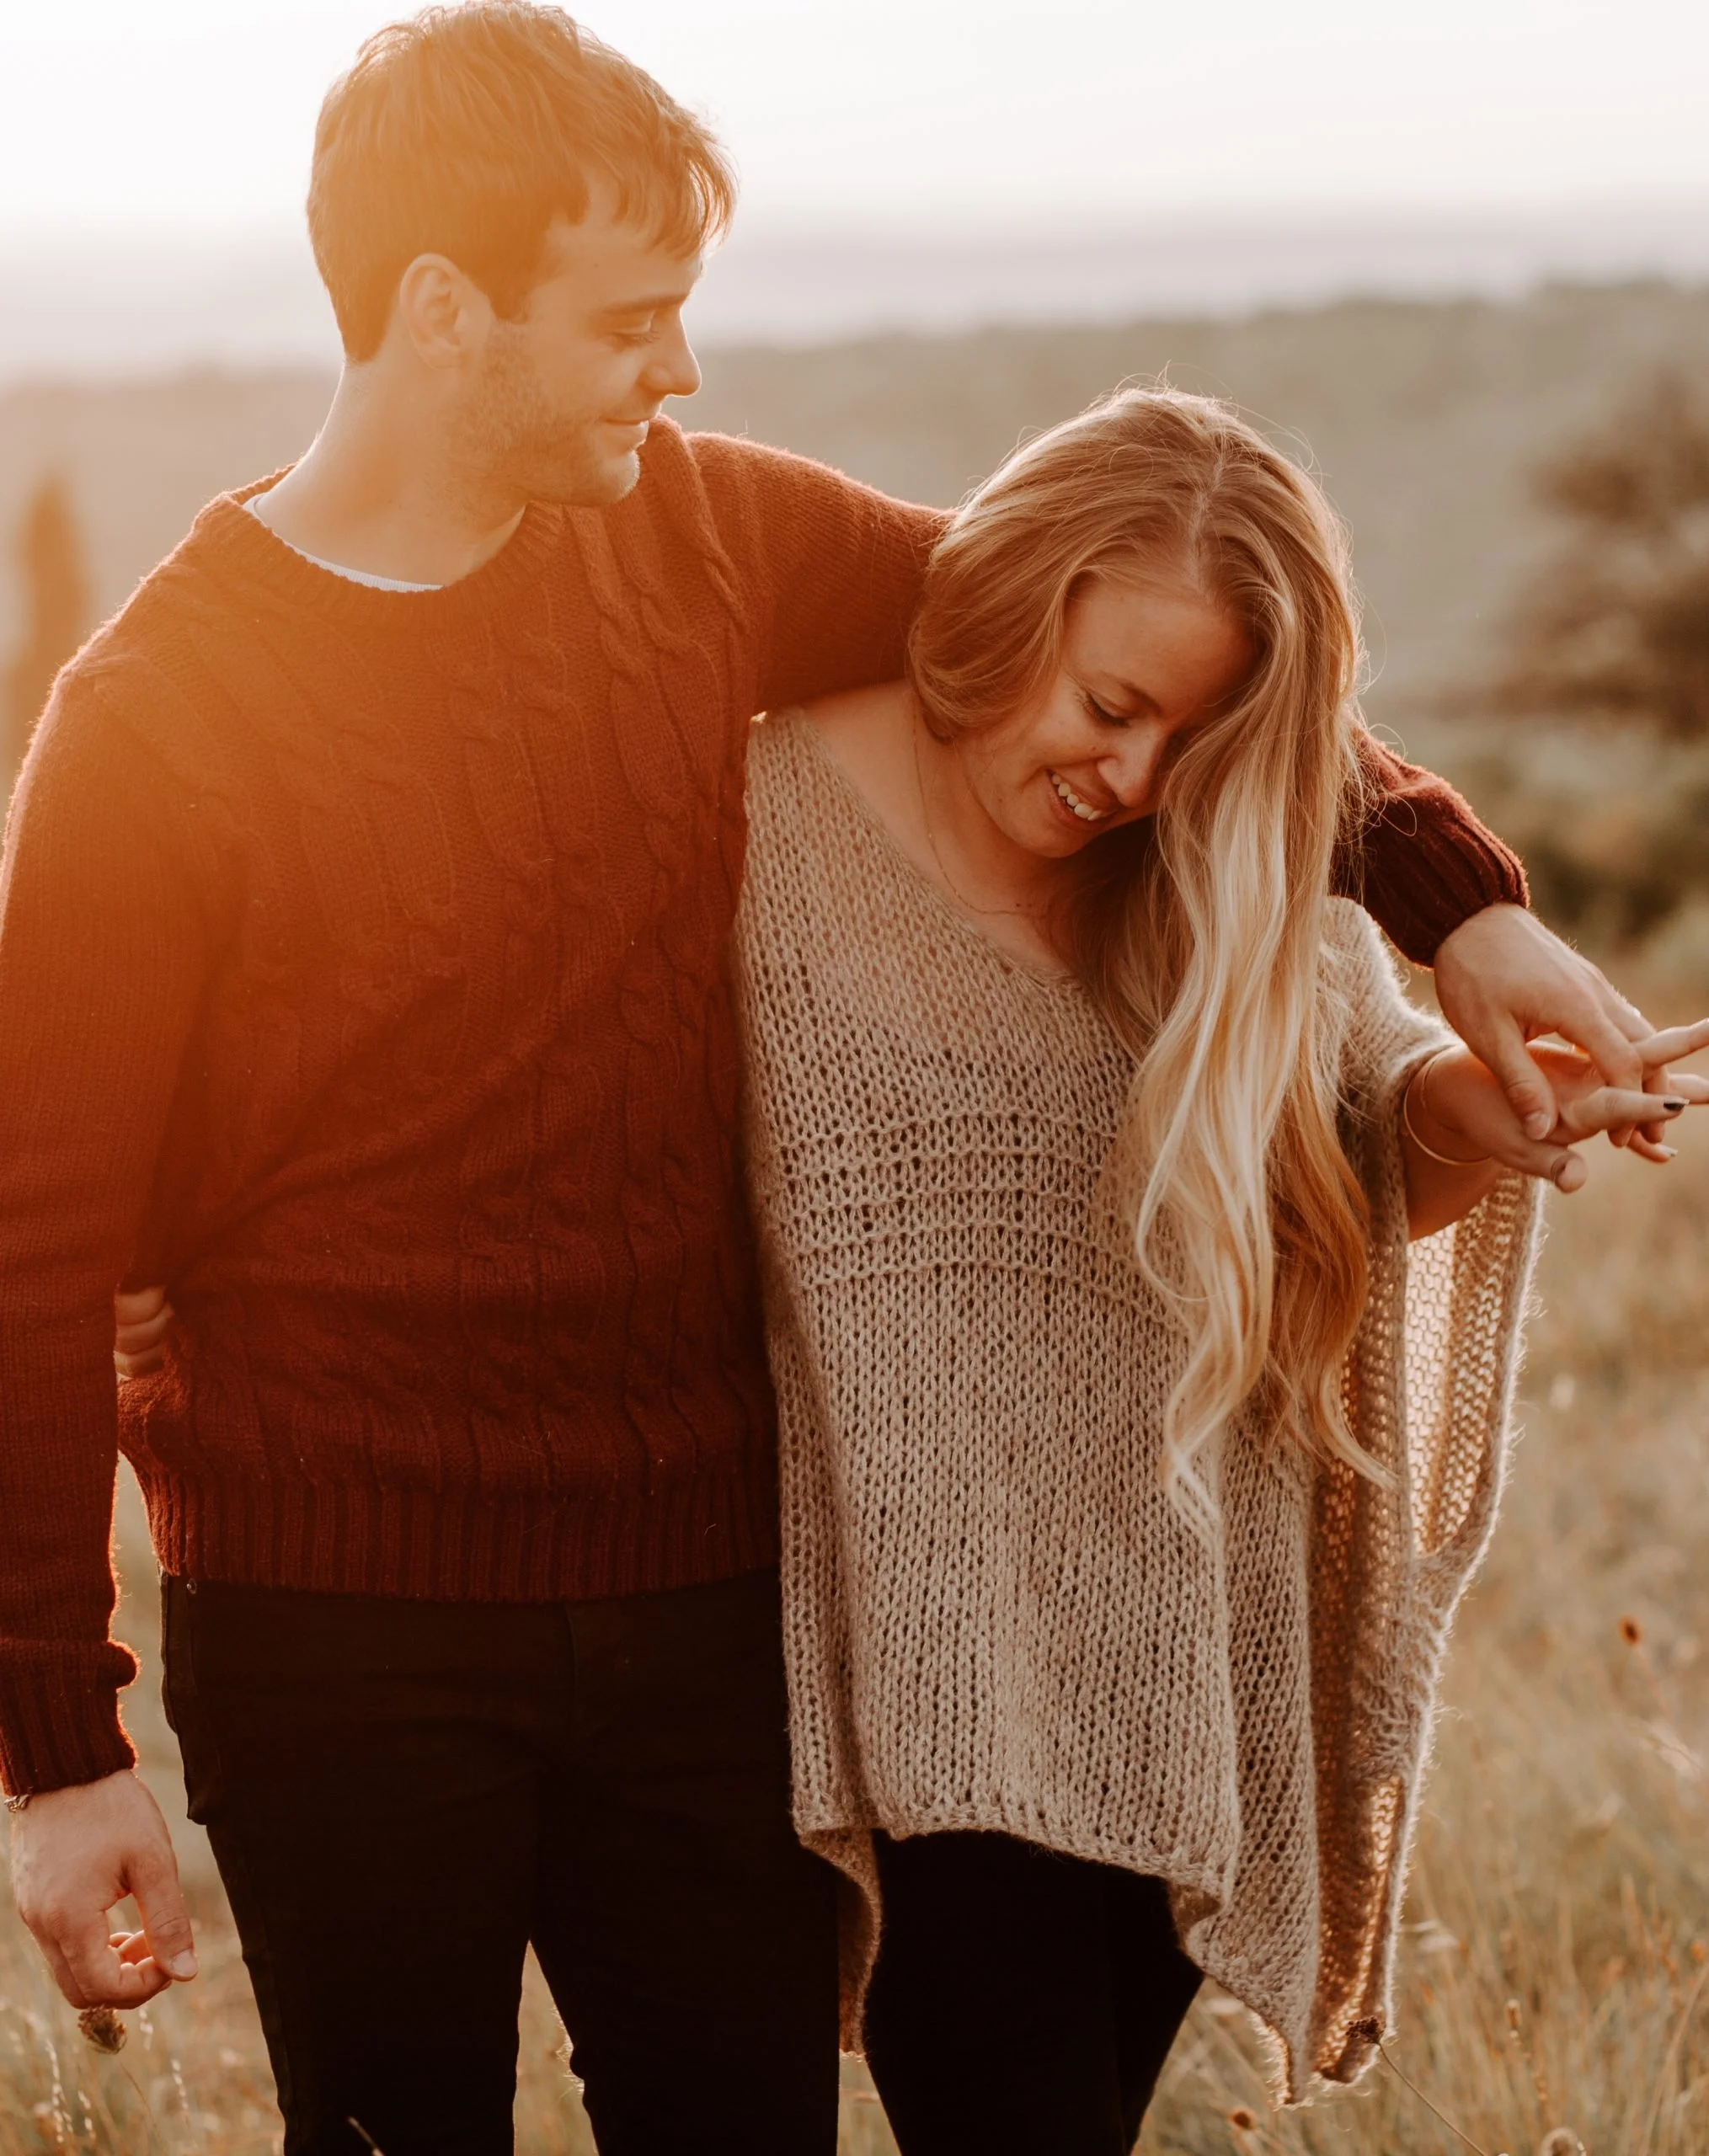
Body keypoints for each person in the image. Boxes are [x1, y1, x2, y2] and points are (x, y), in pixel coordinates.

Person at [0, 5, 1674, 2152]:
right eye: (634, 316)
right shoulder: (156, 721)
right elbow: (35, 1247)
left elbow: (1162, 644)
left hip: (712, 1614)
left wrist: (1469, 903)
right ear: (441, 310)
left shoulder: (703, 542)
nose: (678, 367)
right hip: (342, 1623)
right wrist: (60, 1748)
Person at [730, 387, 1709, 2156]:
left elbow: (1350, 1152)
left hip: (1186, 1647)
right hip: (927, 1669)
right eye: (1113, 705)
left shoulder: (1226, 855)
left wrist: (1481, 1114)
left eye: (1193, 738)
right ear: (1015, 593)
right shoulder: (759, 815)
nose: (1134, 779)